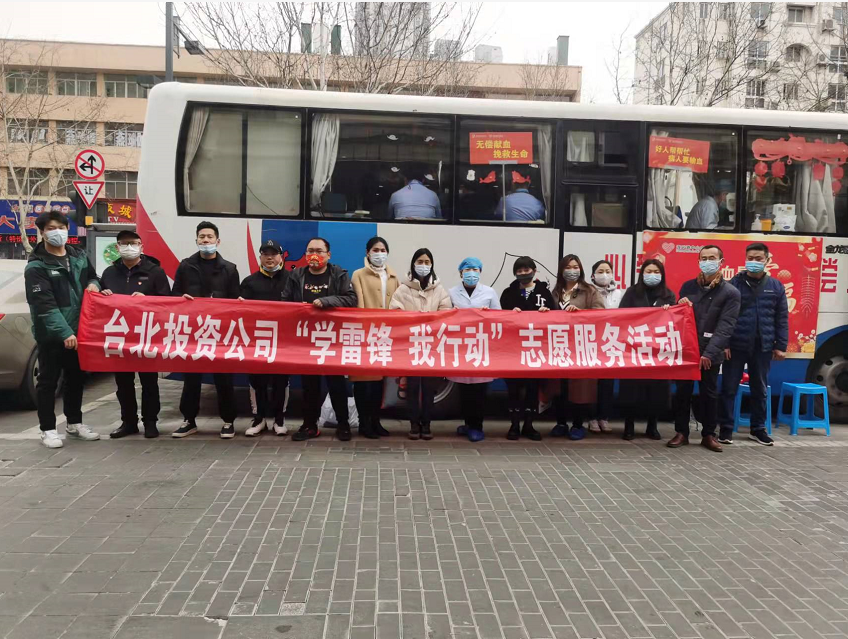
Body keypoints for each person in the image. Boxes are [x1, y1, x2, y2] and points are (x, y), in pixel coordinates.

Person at [25, 211, 103, 449]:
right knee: (48, 382)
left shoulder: (78, 255)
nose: (57, 232)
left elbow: (93, 276)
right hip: (52, 335)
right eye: (51, 228)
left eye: (61, 227)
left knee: (76, 379)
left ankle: (74, 423)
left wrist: (94, 284)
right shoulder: (36, 266)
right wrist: (64, 333)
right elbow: (44, 305)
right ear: (42, 232)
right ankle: (47, 429)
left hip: (80, 331)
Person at [282, 237, 358, 441]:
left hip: (332, 338)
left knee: (337, 385)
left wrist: (326, 301)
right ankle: (309, 425)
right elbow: (285, 302)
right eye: (310, 251)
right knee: (309, 385)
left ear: (328, 255)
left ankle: (343, 425)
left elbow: (351, 299)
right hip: (306, 340)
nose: (314, 255)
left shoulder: (339, 274)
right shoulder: (296, 275)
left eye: (319, 251)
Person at [171, 221, 241, 439]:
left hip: (219, 331)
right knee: (191, 378)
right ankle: (189, 420)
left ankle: (228, 421)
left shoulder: (229, 268)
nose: (206, 240)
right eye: (202, 237)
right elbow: (174, 294)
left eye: (210, 237)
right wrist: (181, 299)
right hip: (193, 330)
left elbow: (235, 299)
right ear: (196, 240)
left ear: (217, 241)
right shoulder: (186, 266)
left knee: (223, 378)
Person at [100, 229, 171, 439]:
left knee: (149, 381)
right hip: (119, 335)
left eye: (133, 243)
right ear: (117, 247)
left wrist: (147, 300)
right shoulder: (109, 273)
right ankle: (128, 422)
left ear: (141, 246)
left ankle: (150, 422)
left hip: (146, 334)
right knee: (123, 383)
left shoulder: (155, 272)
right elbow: (100, 302)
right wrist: (103, 295)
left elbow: (167, 302)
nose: (129, 247)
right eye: (124, 243)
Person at [669, 245, 741, 452]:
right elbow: (678, 317)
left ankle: (709, 434)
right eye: (704, 258)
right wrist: (679, 304)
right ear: (698, 261)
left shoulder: (731, 293)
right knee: (682, 392)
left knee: (709, 393)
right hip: (686, 350)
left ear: (721, 262)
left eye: (712, 258)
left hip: (710, 353)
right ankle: (681, 432)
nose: (707, 262)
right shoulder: (688, 287)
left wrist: (709, 353)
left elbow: (726, 326)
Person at [718, 242, 788, 446]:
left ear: (767, 260)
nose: (754, 262)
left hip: (763, 346)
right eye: (750, 258)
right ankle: (725, 429)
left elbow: (782, 318)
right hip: (736, 345)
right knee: (729, 388)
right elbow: (725, 316)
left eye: (758, 258)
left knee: (760, 389)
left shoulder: (776, 286)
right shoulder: (733, 284)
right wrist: (724, 343)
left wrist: (781, 345)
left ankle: (758, 429)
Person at [389, 248, 452, 440]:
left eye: (427, 262)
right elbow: (394, 313)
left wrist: (430, 321)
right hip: (411, 346)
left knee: (428, 389)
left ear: (432, 265)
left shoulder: (439, 290)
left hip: (431, 347)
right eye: (420, 262)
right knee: (412, 388)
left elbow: (446, 313)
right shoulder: (403, 289)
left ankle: (427, 424)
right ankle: (414, 424)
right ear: (413, 264)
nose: (423, 266)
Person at [617, 260, 676, 441]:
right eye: (648, 271)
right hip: (634, 348)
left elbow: (674, 320)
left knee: (657, 390)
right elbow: (621, 316)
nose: (652, 275)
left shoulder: (668, 295)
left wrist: (669, 311)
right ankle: (629, 426)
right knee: (631, 389)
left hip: (657, 351)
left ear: (662, 274)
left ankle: (652, 425)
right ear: (642, 274)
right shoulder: (632, 292)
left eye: (656, 271)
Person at [550, 254, 605, 440]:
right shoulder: (556, 291)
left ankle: (578, 424)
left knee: (580, 387)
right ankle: (561, 423)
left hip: (581, 345)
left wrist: (581, 313)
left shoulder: (589, 290)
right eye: (568, 267)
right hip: (559, 345)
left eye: (575, 267)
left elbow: (601, 314)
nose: (572, 271)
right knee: (560, 386)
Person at [239, 239, 290, 437]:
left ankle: (279, 419)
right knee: (257, 380)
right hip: (257, 339)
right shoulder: (249, 281)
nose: (269, 258)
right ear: (260, 257)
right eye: (265, 254)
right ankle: (259, 419)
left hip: (283, 339)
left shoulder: (292, 279)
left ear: (281, 256)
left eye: (274, 254)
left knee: (280, 381)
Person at [499, 256, 554, 441]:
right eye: (519, 271)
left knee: (532, 387)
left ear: (534, 271)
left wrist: (547, 313)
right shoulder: (508, 293)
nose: (523, 273)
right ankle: (514, 425)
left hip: (535, 349)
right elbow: (499, 318)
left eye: (526, 270)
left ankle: (529, 425)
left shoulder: (544, 293)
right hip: (513, 349)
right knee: (513, 388)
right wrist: (509, 314)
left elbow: (556, 318)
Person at [351, 236, 400, 439]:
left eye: (383, 250)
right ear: (367, 253)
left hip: (385, 336)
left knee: (380, 383)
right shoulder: (358, 274)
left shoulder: (393, 277)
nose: (379, 254)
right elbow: (359, 303)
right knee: (363, 383)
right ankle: (364, 423)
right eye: (375, 250)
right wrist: (364, 330)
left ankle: (375, 421)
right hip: (366, 334)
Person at [448, 257, 501, 442]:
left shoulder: (489, 292)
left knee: (479, 390)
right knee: (463, 390)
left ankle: (477, 426)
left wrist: (489, 315)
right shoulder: (452, 292)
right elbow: (444, 317)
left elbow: (499, 317)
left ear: (480, 272)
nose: (471, 273)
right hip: (461, 347)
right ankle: (467, 423)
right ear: (461, 273)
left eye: (475, 270)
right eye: (467, 270)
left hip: (481, 346)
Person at [587, 260, 624, 433]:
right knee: (591, 382)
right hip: (591, 341)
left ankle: (604, 417)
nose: (604, 274)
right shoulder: (587, 292)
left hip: (611, 341)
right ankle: (591, 417)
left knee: (607, 383)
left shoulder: (620, 293)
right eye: (600, 271)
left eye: (607, 271)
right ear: (593, 275)